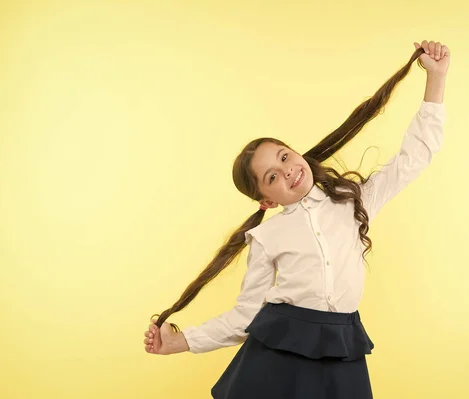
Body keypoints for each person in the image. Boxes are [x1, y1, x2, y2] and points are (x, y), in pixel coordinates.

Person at [143, 40, 450, 399]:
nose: (287, 172)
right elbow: (244, 317)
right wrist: (181, 342)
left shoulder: (355, 201)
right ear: (267, 200)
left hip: (343, 347)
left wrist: (436, 79)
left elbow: (414, 158)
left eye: (285, 157)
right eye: (271, 176)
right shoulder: (267, 236)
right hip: (280, 354)